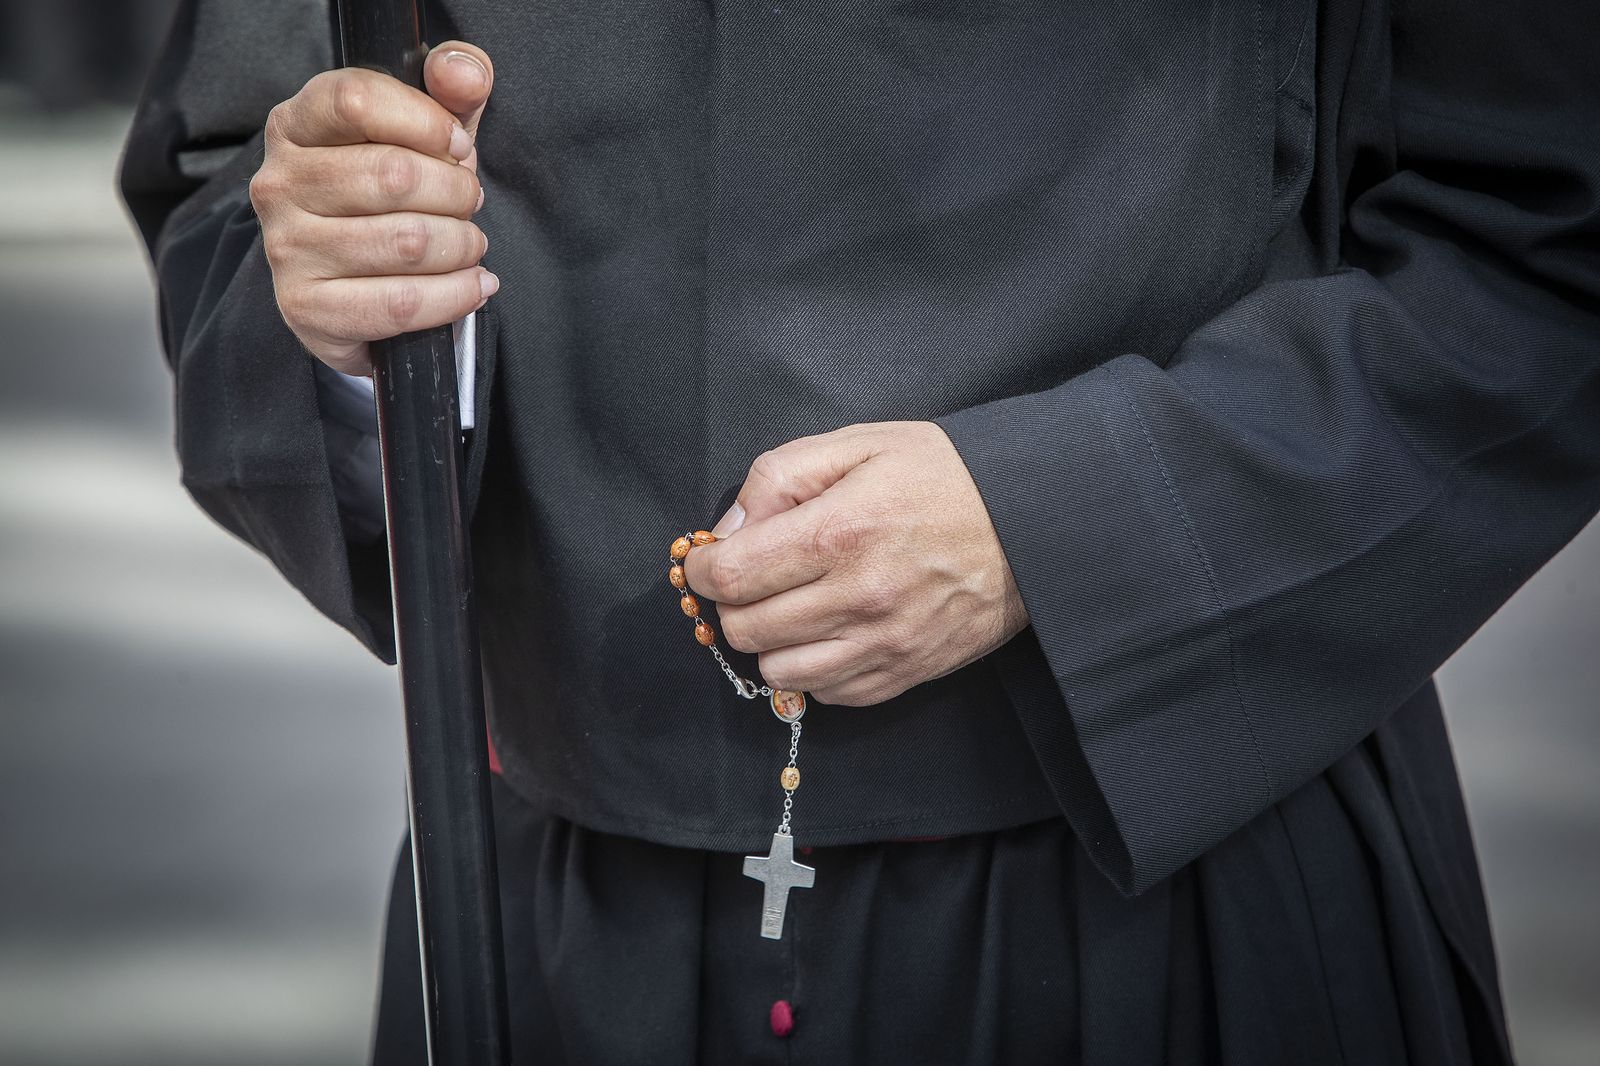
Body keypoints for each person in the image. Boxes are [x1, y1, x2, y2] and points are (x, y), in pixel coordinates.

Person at [120, 0, 1599, 1061]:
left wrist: (1067, 519)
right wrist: (338, 297)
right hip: (555, 920)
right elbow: (233, 174)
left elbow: (1544, 228)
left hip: (1170, 896)